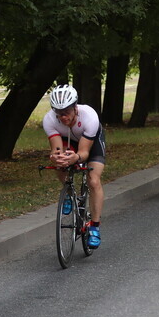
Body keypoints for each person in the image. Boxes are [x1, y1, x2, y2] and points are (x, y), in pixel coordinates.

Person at [43, 84, 105, 249]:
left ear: (75, 108)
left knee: (93, 181)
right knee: (60, 161)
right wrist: (57, 158)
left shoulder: (89, 117)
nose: (63, 117)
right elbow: (56, 148)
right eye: (59, 113)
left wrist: (76, 158)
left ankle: (94, 227)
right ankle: (69, 193)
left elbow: (84, 152)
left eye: (66, 113)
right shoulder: (49, 120)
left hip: (90, 142)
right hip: (67, 139)